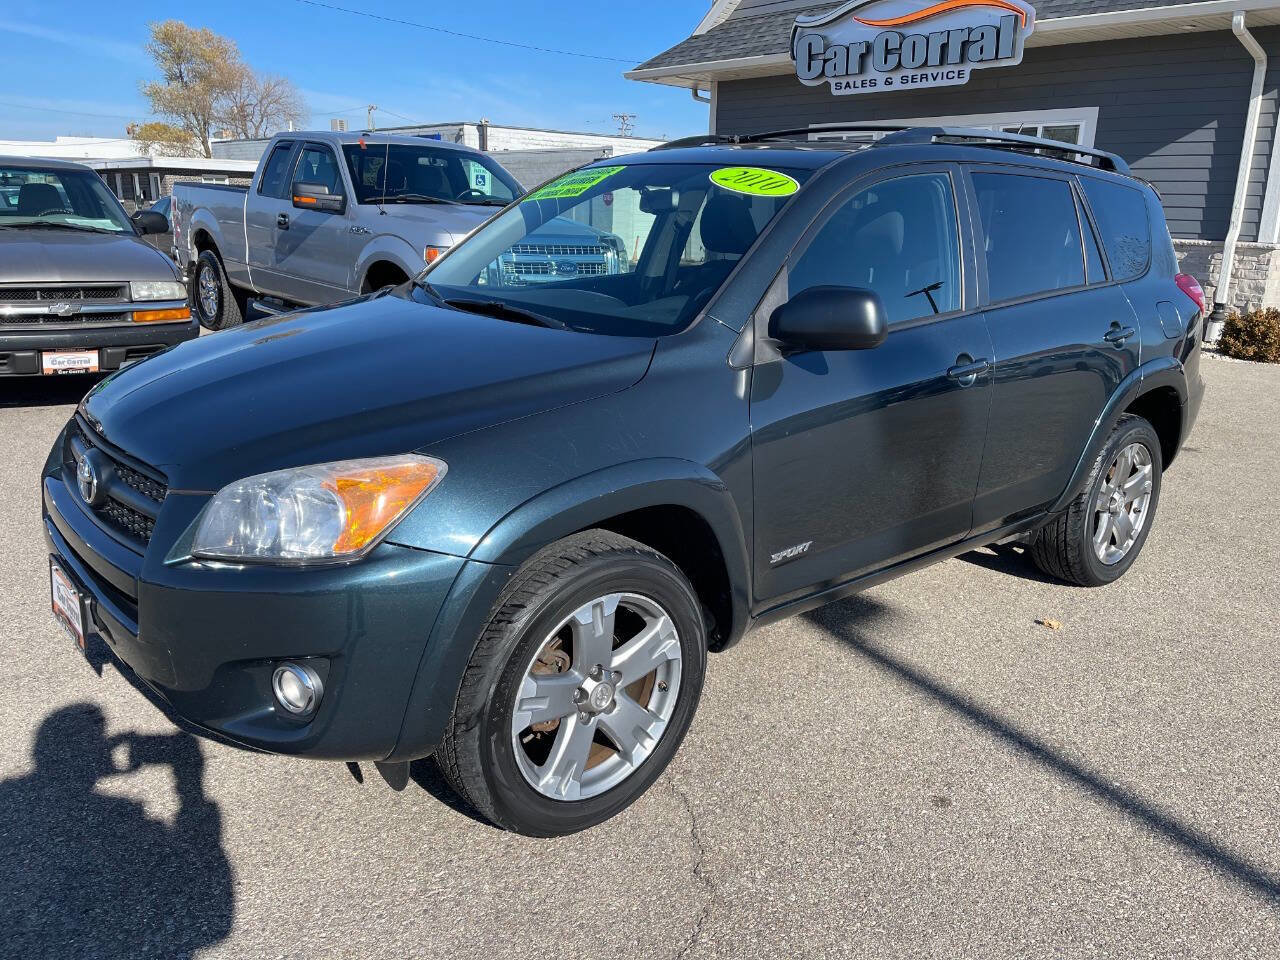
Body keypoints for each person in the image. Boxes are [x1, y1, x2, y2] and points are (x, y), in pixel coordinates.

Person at [0, 704, 233, 959]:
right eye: (98, 740)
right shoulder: (121, 816)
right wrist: (191, 784)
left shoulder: (15, 801)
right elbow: (210, 910)